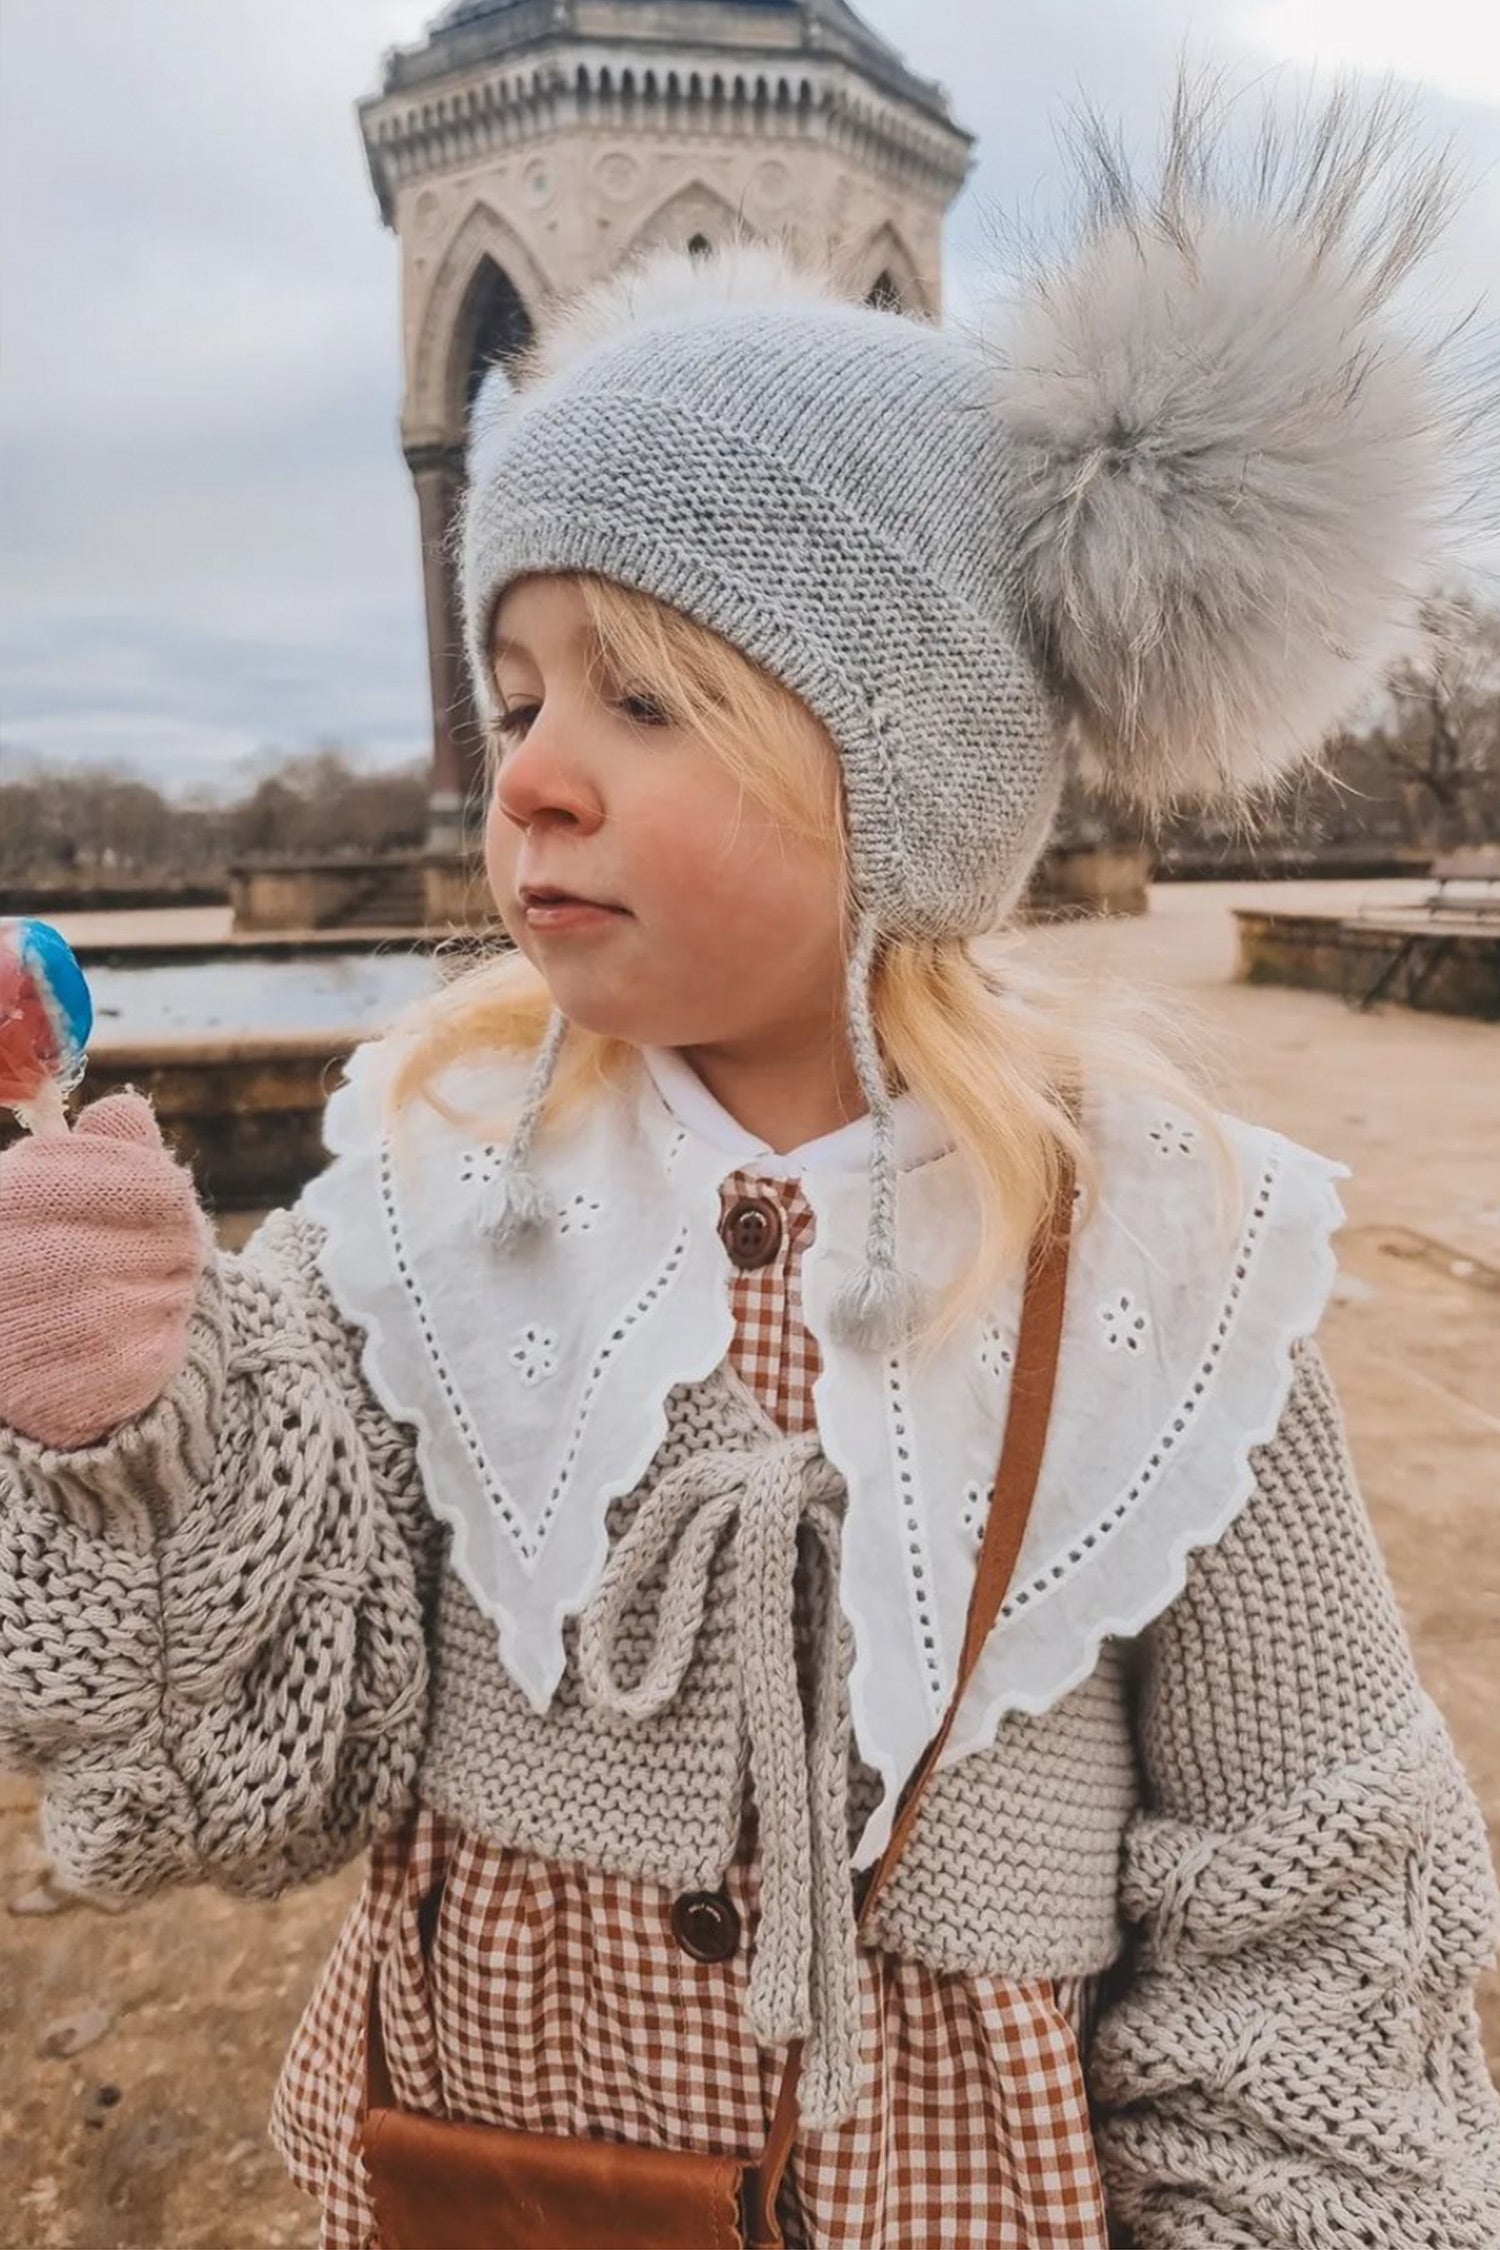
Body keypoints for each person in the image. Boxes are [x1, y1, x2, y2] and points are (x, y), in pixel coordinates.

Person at [3, 81, 1499, 2250]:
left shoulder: (1165, 1270)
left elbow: (1310, 1910)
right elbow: (272, 1747)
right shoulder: (421, 1201)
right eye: (512, 695)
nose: (530, 780)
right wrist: (133, 1404)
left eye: (642, 697)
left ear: (909, 759)